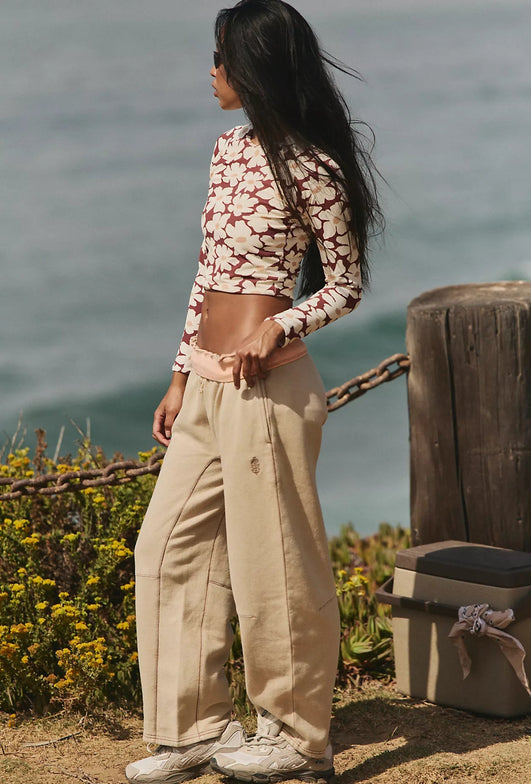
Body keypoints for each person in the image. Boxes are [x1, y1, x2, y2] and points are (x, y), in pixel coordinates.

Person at [125, 1, 383, 782]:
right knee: (167, 550)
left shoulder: (314, 166)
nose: (211, 73)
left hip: (269, 388)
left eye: (221, 59)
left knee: (274, 566)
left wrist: (284, 325)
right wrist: (179, 373)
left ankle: (299, 739)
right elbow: (208, 271)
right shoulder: (228, 151)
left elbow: (346, 284)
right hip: (206, 386)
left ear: (256, 68)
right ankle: (194, 728)